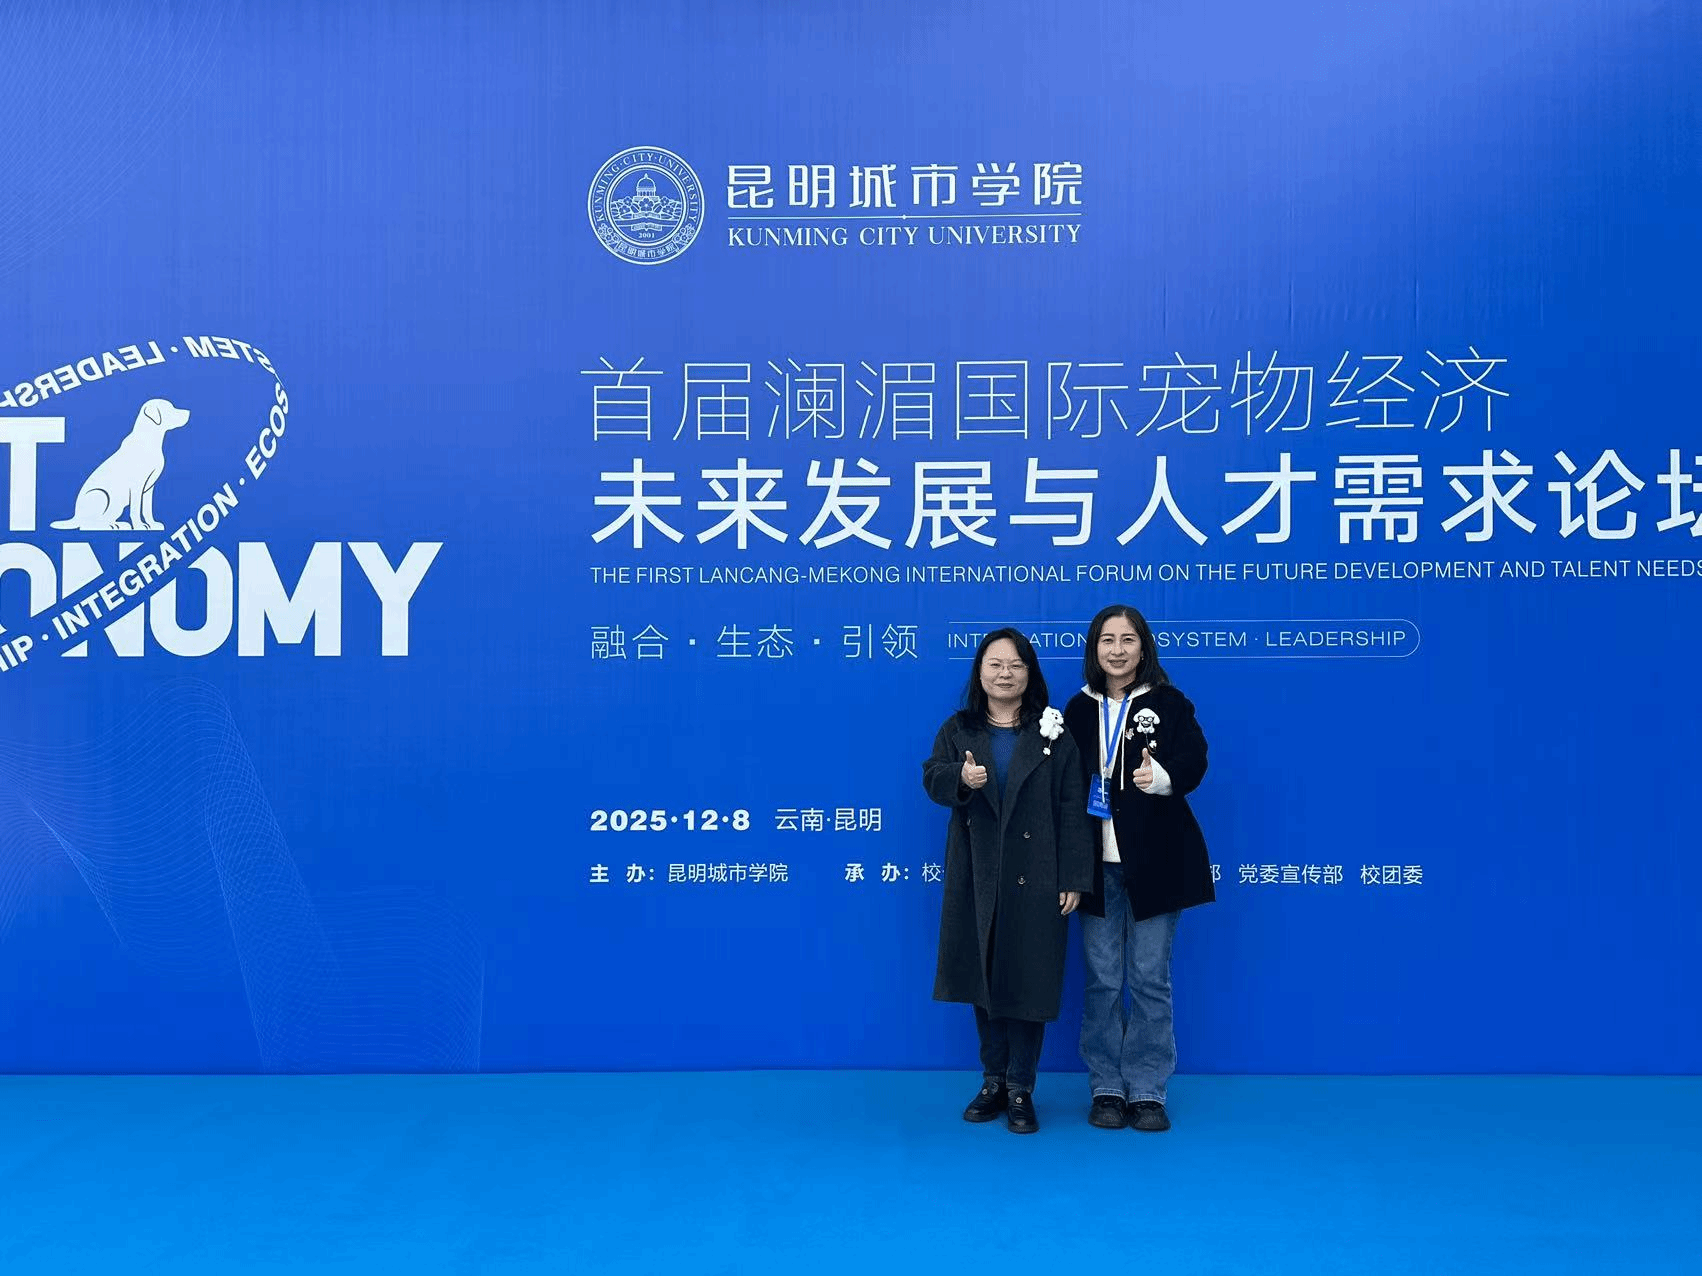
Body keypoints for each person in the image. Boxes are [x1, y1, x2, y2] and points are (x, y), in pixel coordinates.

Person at [922, 628, 1093, 1134]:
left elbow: (1073, 806)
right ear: (979, 673)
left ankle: (1021, 1087)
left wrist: (1073, 876)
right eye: (995, 664)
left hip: (1038, 875)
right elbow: (932, 776)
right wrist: (960, 779)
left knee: (1029, 981)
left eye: (1016, 665)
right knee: (985, 981)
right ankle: (992, 1080)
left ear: (1029, 674)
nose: (1005, 674)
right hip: (979, 875)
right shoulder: (959, 728)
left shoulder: (1053, 733)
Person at [1063, 604, 1215, 1133]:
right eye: (1107, 639)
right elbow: (1063, 787)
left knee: (1150, 978)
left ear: (1143, 647)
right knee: (1103, 980)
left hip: (1157, 862)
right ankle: (1106, 1085)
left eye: (1128, 639)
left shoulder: (1169, 703)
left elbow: (1195, 761)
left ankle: (1148, 1089)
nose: (1118, 650)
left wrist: (1163, 777)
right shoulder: (1077, 710)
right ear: (1094, 648)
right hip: (1094, 866)